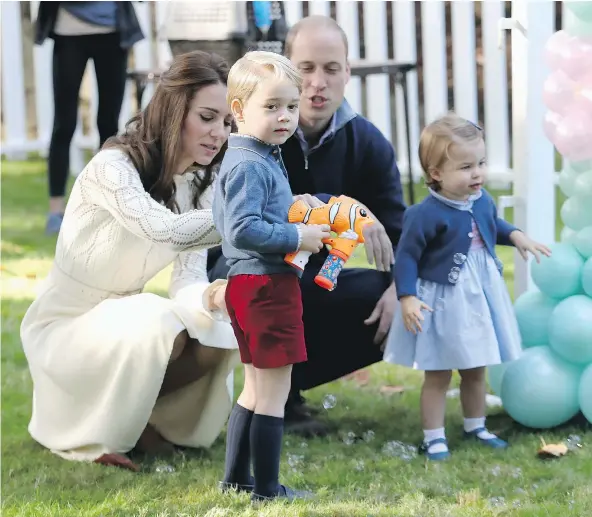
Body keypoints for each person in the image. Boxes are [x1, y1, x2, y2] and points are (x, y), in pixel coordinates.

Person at [20, 51, 240, 471]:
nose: (219, 133)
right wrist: (248, 219)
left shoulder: (199, 184)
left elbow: (188, 278)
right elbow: (167, 230)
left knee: (219, 338)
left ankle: (142, 419)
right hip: (64, 327)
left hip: (118, 325)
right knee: (159, 320)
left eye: (228, 123)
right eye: (208, 117)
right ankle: (105, 426)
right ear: (176, 111)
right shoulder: (113, 167)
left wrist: (214, 299)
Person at [207, 15, 407, 436]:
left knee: (387, 300)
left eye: (331, 69)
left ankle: (288, 390)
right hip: (249, 274)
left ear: (348, 73)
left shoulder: (367, 143)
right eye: (307, 69)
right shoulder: (250, 137)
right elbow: (230, 229)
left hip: (314, 279)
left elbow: (397, 227)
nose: (318, 82)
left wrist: (400, 288)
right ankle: (260, 393)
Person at [383, 113, 552, 461]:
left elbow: (493, 223)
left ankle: (476, 425)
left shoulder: (483, 199)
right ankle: (434, 437)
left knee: (476, 367)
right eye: (465, 167)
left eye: (481, 163)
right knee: (439, 370)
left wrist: (516, 235)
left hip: (481, 295)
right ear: (436, 174)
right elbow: (407, 258)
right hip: (444, 300)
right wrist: (408, 296)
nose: (477, 173)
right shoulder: (423, 214)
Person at [213, 51, 327, 501]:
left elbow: (254, 214)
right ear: (238, 110)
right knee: (274, 394)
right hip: (266, 285)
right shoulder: (251, 163)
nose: (285, 117)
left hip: (247, 286)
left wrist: (295, 205)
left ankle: (236, 481)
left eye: (291, 106)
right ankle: (266, 490)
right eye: (272, 106)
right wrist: (298, 235)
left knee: (254, 389)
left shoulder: (253, 154)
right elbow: (242, 227)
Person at [34, 1, 144, 234]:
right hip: (69, 34)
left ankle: (107, 208)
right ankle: (55, 211)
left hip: (113, 32)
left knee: (108, 125)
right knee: (63, 125)